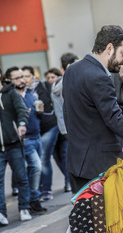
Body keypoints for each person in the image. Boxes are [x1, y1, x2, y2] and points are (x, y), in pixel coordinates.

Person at [63, 25, 123, 192]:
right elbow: (114, 118)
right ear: (109, 48)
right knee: (108, 217)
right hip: (100, 165)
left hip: (77, 161)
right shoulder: (99, 76)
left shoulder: (72, 70)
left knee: (88, 216)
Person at [5, 67, 47, 213]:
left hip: (37, 136)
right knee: (36, 167)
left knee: (35, 168)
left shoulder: (31, 93)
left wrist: (39, 112)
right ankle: (33, 198)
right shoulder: (10, 96)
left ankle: (32, 198)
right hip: (25, 139)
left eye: (22, 77)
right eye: (17, 78)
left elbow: (38, 115)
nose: (21, 80)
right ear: (8, 80)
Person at [22, 66, 59, 201]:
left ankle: (46, 190)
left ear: (33, 76)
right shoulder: (22, 93)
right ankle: (38, 188)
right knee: (37, 161)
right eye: (22, 76)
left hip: (49, 126)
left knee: (44, 158)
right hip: (35, 131)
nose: (24, 79)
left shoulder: (41, 87)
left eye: (27, 76)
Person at [0, 67, 31, 225]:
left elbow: (22, 111)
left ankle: (24, 207)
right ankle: (1, 213)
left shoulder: (10, 93)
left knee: (21, 178)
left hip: (12, 144)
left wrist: (21, 124)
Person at [51, 52, 78, 193]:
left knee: (69, 158)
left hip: (64, 127)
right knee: (73, 159)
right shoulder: (68, 83)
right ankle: (74, 188)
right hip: (72, 127)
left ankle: (72, 188)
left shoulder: (55, 85)